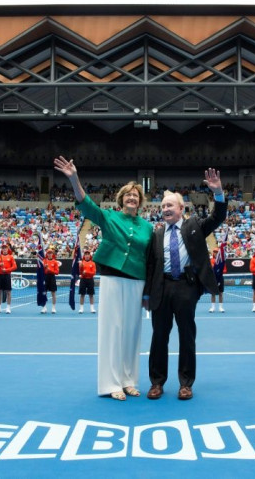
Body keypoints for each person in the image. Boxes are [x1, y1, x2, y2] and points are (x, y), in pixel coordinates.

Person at [54, 155, 153, 401]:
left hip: (137, 281)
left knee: (132, 331)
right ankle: (112, 383)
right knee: (112, 329)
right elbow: (85, 204)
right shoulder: (109, 217)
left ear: (140, 202)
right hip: (112, 279)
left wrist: (149, 291)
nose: (132, 198)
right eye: (128, 195)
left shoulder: (148, 227)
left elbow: (151, 259)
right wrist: (74, 178)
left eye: (136, 196)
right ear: (121, 199)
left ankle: (129, 379)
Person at [143, 170, 227, 401]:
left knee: (186, 336)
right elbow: (151, 266)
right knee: (159, 336)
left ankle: (186, 384)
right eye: (163, 206)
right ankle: (157, 383)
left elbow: (218, 217)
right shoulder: (156, 234)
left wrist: (217, 192)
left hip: (186, 288)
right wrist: (147, 294)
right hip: (162, 288)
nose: (166, 209)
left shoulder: (194, 226)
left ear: (181, 209)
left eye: (170, 205)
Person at [0, 244, 16, 314]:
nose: (4, 249)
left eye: (5, 248)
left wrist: (6, 270)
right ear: (2, 249)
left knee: (8, 292)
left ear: (7, 249)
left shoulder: (11, 257)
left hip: (7, 275)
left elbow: (15, 267)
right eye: (3, 248)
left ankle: (8, 308)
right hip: (0, 275)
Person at [41, 248, 60, 314]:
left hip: (52, 277)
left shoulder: (55, 262)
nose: (49, 254)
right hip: (45, 277)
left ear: (52, 254)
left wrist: (50, 270)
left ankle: (53, 308)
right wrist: (44, 267)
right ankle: (44, 307)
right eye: (48, 253)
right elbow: (40, 271)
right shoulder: (44, 261)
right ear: (47, 254)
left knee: (53, 293)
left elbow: (57, 272)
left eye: (51, 253)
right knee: (44, 293)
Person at [209, 247, 225, 313]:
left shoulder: (221, 261)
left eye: (217, 252)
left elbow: (224, 270)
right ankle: (212, 307)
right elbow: (209, 269)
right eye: (214, 252)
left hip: (220, 278)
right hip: (213, 278)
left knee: (220, 293)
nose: (215, 253)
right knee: (213, 293)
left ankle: (221, 307)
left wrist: (219, 271)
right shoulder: (211, 260)